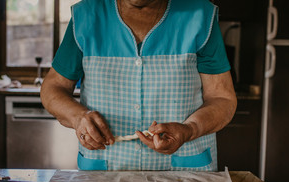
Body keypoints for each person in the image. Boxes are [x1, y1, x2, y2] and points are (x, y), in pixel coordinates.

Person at [40, 0, 237, 171]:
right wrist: (78, 118)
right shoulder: (86, 16)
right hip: (106, 171)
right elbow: (53, 87)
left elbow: (222, 98)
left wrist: (190, 129)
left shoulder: (200, 15)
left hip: (186, 173)